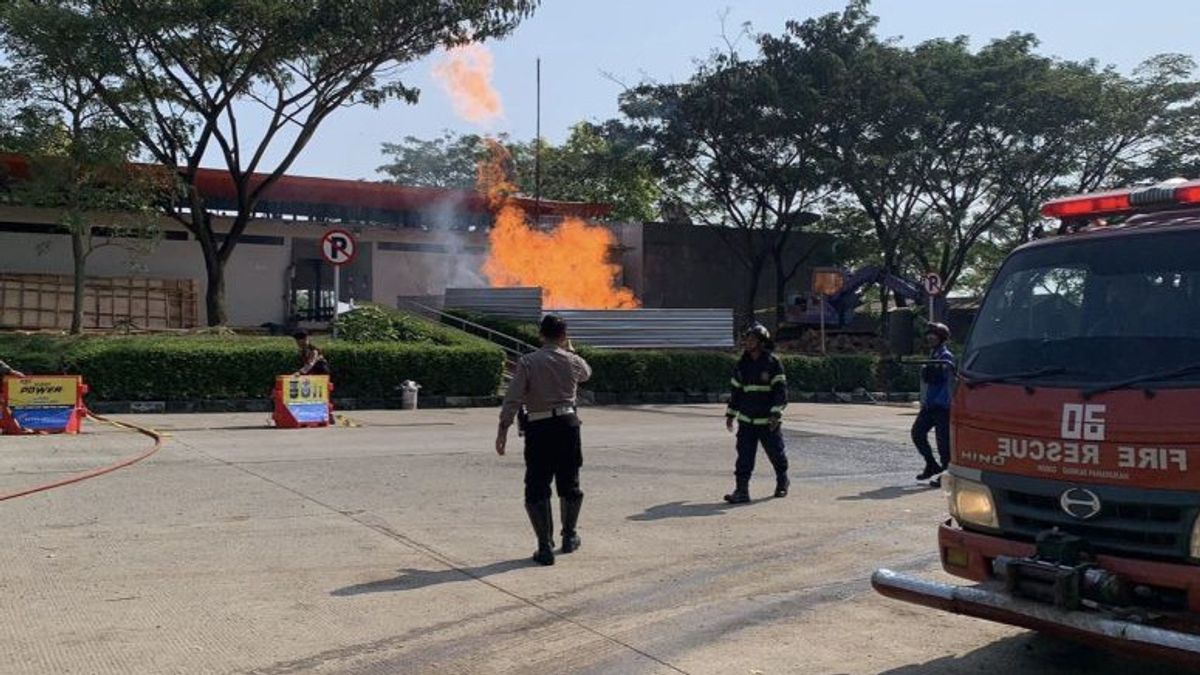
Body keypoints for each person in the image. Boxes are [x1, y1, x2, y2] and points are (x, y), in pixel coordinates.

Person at [496, 314, 592, 566]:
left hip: (539, 427)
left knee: (537, 484)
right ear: (563, 336)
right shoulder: (573, 361)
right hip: (568, 425)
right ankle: (569, 536)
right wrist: (569, 349)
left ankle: (544, 546)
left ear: (540, 334)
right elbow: (587, 374)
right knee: (569, 480)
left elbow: (513, 397)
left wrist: (503, 427)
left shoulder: (528, 362)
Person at [723, 323, 789, 504]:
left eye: (751, 339)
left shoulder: (772, 363)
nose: (747, 342)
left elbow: (780, 392)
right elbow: (736, 392)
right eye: (747, 339)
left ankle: (782, 481)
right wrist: (730, 415)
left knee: (776, 454)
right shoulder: (742, 364)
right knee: (744, 458)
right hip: (746, 421)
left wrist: (775, 414)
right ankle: (742, 491)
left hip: (768, 422)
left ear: (761, 342)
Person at [913, 322, 955, 487]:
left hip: (942, 405)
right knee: (917, 433)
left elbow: (935, 377)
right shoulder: (933, 355)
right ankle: (931, 464)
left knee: (943, 443)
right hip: (930, 404)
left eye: (934, 334)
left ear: (941, 337)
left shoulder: (946, 356)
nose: (930, 337)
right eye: (929, 334)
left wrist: (929, 370)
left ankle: (946, 473)